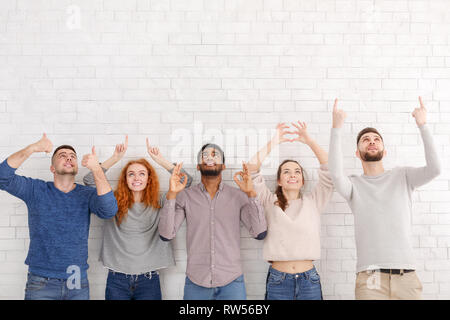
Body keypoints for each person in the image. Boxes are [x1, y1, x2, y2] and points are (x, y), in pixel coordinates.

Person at [329, 97, 441, 300]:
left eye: (376, 139)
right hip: (370, 278)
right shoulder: (354, 185)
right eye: (366, 140)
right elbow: (336, 175)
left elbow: (435, 169)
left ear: (384, 150)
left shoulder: (403, 176)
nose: (371, 141)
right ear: (357, 152)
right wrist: (336, 128)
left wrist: (423, 125)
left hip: (406, 277)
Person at [0, 134, 118, 300]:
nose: (69, 158)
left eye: (72, 157)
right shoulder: (36, 190)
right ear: (52, 168)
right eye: (62, 156)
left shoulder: (87, 194)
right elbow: (2, 177)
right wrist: (32, 148)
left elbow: (109, 210)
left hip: (76, 279)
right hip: (40, 282)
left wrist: (96, 169)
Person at [83, 136, 192, 300]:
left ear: (149, 179)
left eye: (142, 174)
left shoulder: (160, 201)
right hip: (117, 279)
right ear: (125, 179)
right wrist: (115, 158)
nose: (136, 178)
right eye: (131, 174)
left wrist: (159, 160)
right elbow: (89, 180)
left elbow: (186, 181)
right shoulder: (112, 201)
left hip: (148, 280)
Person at [158, 143, 267, 300]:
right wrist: (172, 195)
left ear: (223, 166)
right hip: (196, 281)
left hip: (232, 281)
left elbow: (259, 233)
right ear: (198, 166)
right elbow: (166, 235)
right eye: (205, 155)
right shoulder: (185, 196)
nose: (210, 157)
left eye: (215, 154)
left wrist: (250, 193)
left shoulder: (239, 196)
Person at [247, 122, 334, 300]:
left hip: (308, 280)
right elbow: (251, 169)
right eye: (286, 172)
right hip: (279, 281)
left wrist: (309, 141)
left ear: (302, 180)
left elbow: (330, 169)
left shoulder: (313, 201)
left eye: (297, 172)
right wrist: (275, 141)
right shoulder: (268, 200)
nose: (292, 175)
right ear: (279, 180)